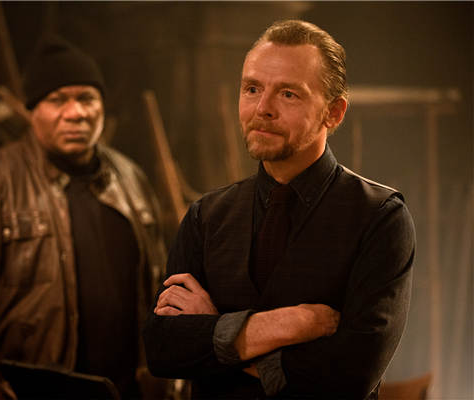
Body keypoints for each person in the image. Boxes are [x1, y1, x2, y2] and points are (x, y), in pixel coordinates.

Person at [143, 19, 415, 399]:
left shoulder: (379, 217)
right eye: (252, 89)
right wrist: (290, 324)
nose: (263, 108)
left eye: (288, 94)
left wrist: (215, 330)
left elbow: (348, 378)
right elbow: (163, 350)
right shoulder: (207, 215)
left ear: (334, 113)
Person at [0, 34, 167, 399]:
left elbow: (159, 287)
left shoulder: (130, 178)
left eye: (87, 98)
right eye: (57, 100)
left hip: (127, 391)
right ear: (32, 110)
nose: (76, 113)